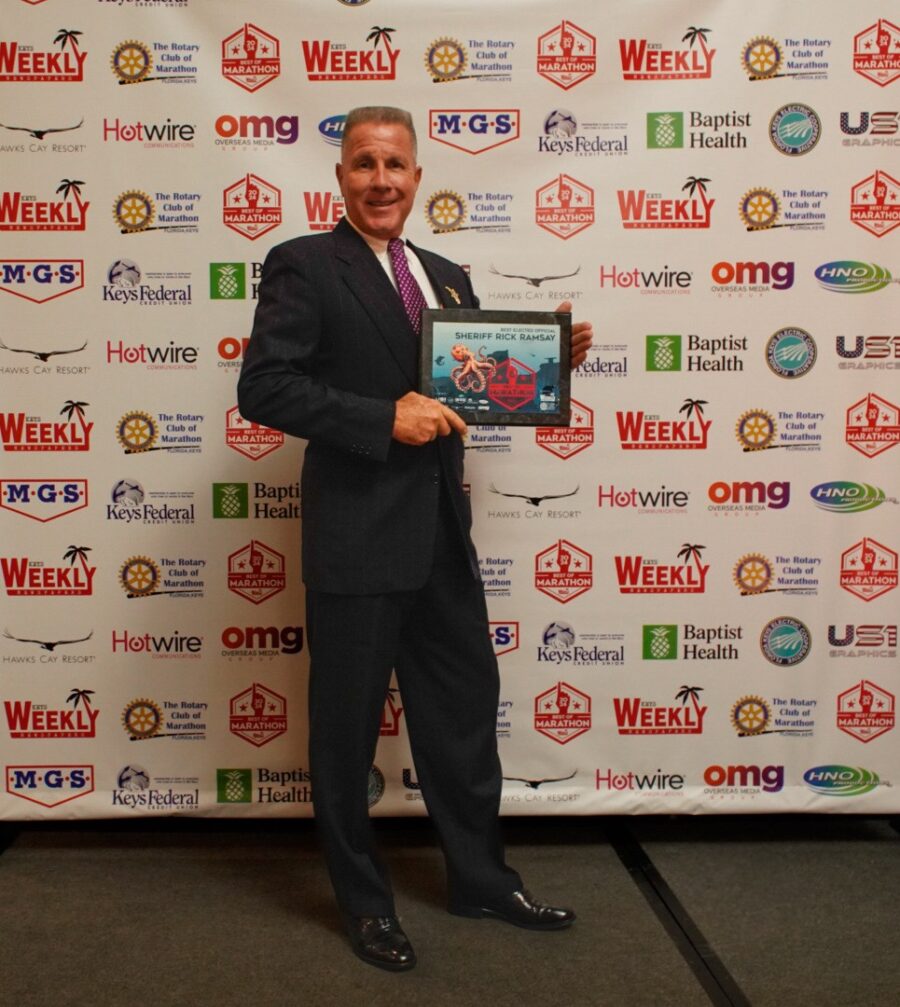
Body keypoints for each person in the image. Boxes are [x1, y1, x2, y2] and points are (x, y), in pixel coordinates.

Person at [238, 106, 593, 972]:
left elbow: (463, 390)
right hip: (357, 538)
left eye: (395, 164)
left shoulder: (447, 274)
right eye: (363, 163)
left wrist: (543, 369)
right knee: (346, 732)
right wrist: (378, 418)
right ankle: (365, 905)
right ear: (341, 178)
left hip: (440, 534)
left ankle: (480, 879)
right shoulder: (303, 264)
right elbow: (265, 388)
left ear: (419, 177)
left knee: (463, 715)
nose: (381, 179)